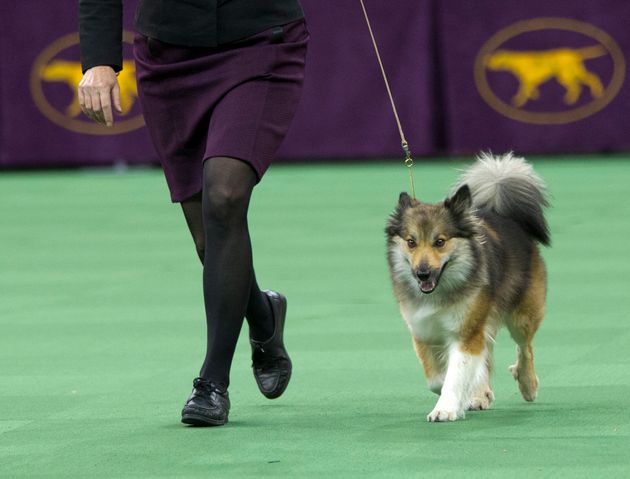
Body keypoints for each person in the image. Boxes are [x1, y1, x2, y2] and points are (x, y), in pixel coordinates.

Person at [78, 0, 309, 427]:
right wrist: (99, 60)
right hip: (169, 56)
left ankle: (212, 383)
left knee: (223, 195)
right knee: (208, 236)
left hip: (261, 41)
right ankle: (262, 314)